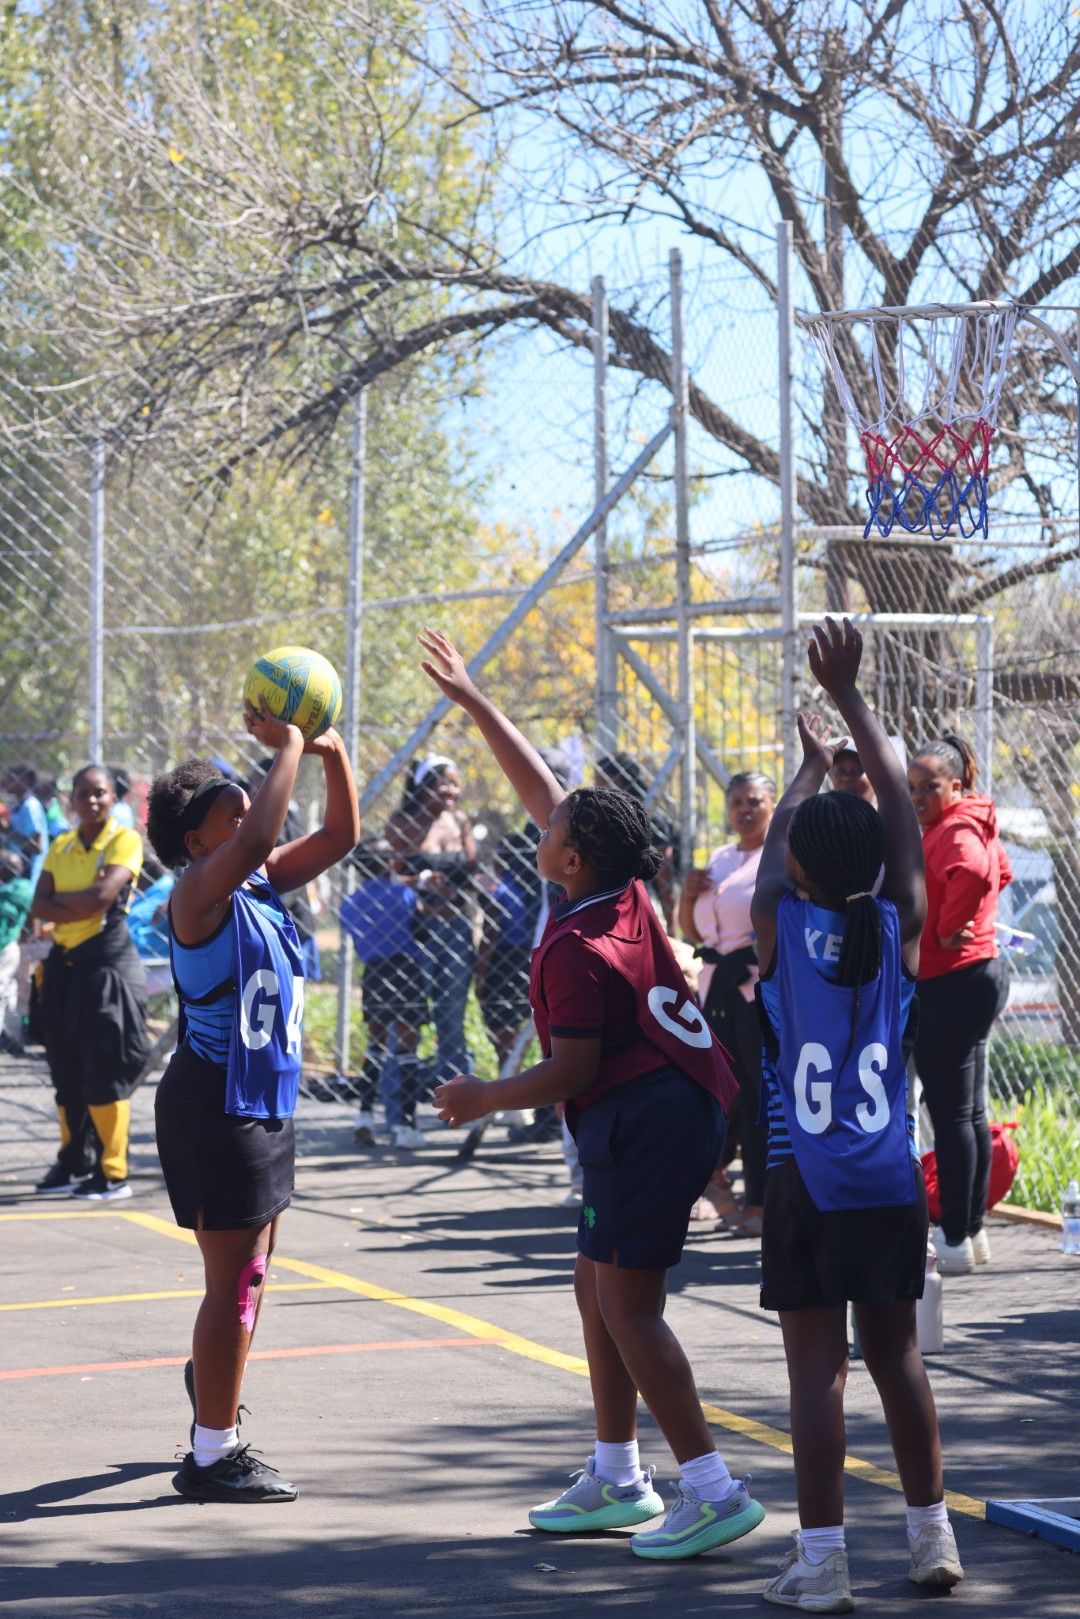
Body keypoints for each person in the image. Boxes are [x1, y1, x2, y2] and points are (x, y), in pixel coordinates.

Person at [419, 627, 764, 1564]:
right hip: (675, 1103)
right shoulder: (623, 893)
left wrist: (485, 1095)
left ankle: (712, 1489)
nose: (542, 825)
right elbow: (547, 788)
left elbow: (569, 1071)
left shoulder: (577, 946)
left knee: (629, 1305)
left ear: (571, 859)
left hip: (650, 1118)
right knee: (595, 1285)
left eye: (553, 830)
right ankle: (617, 1473)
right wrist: (476, 700)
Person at [751, 617, 962, 1612]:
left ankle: (825, 1560)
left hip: (808, 1184)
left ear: (795, 866)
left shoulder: (778, 929)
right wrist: (851, 701)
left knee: (817, 1371)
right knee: (898, 1360)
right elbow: (906, 837)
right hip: (888, 1178)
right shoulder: (898, 925)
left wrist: (803, 772)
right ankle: (931, 1537)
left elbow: (776, 859)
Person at [146, 699, 359, 1503]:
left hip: (259, 1099)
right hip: (214, 1105)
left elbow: (340, 838)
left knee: (251, 1276)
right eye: (227, 811)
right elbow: (265, 836)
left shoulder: (256, 880)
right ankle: (210, 1454)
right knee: (232, 1281)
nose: (246, 814)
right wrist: (293, 739)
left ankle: (214, 1385)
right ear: (197, 839)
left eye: (247, 801)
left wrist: (331, 753)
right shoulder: (201, 891)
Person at [907, 732, 1011, 1275]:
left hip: (953, 978)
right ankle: (970, 1232)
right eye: (913, 788)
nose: (919, 797)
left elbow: (972, 872)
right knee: (966, 1112)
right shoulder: (975, 818)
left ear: (957, 784)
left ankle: (954, 1238)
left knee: (950, 1114)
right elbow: (1003, 871)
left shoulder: (956, 829)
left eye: (930, 787)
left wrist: (949, 929)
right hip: (975, 973)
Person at [29, 765, 149, 1199]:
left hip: (106, 965)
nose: (91, 800)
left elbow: (103, 899)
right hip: (64, 966)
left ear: (114, 797)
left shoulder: (124, 839)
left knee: (104, 1069)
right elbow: (39, 904)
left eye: (100, 793)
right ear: (72, 799)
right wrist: (78, 905)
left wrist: (64, 903)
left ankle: (112, 1172)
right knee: (65, 1069)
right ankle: (73, 1161)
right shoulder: (61, 844)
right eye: (83, 793)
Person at [679, 771, 776, 1234]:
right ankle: (723, 1190)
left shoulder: (778, 856)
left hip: (754, 990)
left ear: (774, 804)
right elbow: (697, 934)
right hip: (714, 989)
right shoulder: (718, 859)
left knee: (757, 1097)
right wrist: (686, 895)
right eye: (736, 801)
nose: (744, 809)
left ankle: (762, 1201)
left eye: (754, 800)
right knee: (723, 1097)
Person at [479, 746, 572, 1146]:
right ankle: (540, 1109)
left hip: (569, 941)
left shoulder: (586, 835)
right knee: (524, 1025)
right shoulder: (519, 841)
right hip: (525, 944)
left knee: (567, 1032)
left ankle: (557, 1115)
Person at [386, 753, 477, 1091]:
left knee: (452, 1012)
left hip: (456, 927)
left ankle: (455, 1092)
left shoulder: (461, 822)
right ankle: (398, 1095)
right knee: (409, 1014)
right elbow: (388, 877)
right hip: (415, 927)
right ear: (424, 786)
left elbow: (471, 871)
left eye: (455, 783)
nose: (451, 790)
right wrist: (422, 881)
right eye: (444, 783)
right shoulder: (402, 823)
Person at [339, 839, 427, 1149]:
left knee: (375, 1046)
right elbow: (421, 929)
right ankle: (407, 1126)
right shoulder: (404, 894)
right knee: (406, 1049)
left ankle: (364, 1115)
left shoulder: (350, 903)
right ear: (384, 863)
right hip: (405, 970)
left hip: (374, 972)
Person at [596, 752, 677, 929]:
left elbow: (665, 879)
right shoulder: (599, 819)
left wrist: (671, 927)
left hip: (642, 904)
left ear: (622, 782)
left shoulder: (651, 819)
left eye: (602, 780)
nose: (596, 787)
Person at [0, 852, 34, 1055]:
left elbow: (31, 915)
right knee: (8, 989)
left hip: (6, 947)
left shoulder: (20, 888)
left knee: (4, 989)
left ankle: (10, 1035)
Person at [3, 763, 49, 889]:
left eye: (10, 778)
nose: (5, 781)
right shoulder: (18, 806)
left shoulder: (30, 806)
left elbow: (37, 847)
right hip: (17, 874)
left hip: (30, 874)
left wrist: (8, 831)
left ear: (24, 780)